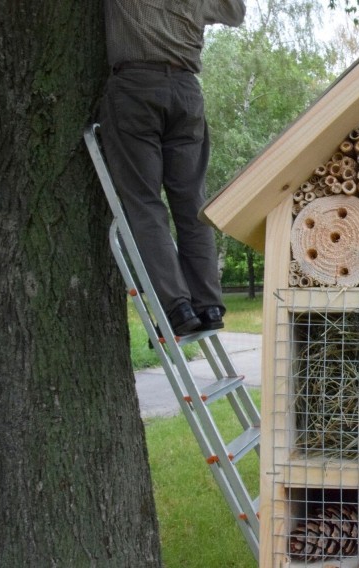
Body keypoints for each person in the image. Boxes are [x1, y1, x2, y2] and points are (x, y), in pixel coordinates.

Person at [99, 0, 246, 335]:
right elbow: (234, 13)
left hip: (136, 86)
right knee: (193, 204)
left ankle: (177, 306)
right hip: (186, 92)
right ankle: (208, 304)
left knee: (144, 202)